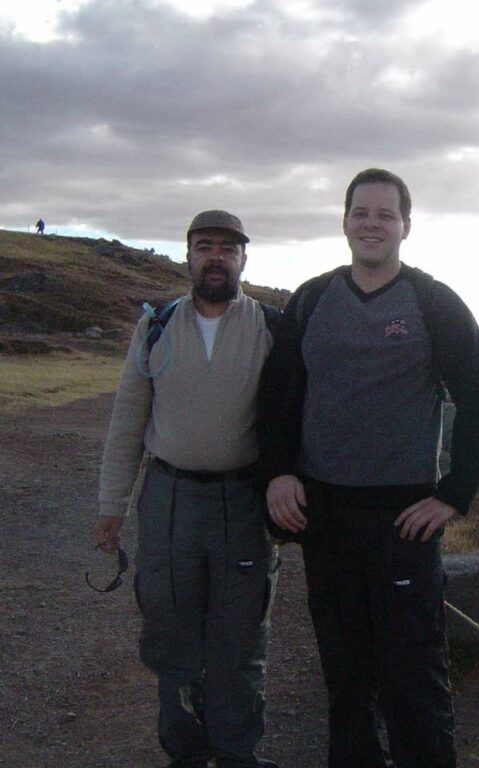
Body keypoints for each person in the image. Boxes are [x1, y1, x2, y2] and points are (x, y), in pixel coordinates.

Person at [259, 168, 479, 768]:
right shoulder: (313, 298)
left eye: (385, 214)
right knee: (345, 674)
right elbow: (278, 395)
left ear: (406, 226)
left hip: (404, 519)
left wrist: (453, 495)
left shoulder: (432, 302)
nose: (372, 224)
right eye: (361, 213)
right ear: (344, 221)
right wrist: (278, 471)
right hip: (325, 515)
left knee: (413, 674)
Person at [94, 210, 279, 768]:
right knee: (171, 636)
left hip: (244, 503)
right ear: (189, 256)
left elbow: (296, 418)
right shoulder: (156, 326)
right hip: (169, 500)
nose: (216, 257)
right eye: (205, 247)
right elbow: (129, 415)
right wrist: (111, 507)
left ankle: (237, 754)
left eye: (227, 248)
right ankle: (187, 754)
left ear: (244, 258)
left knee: (241, 641)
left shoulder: (272, 327)